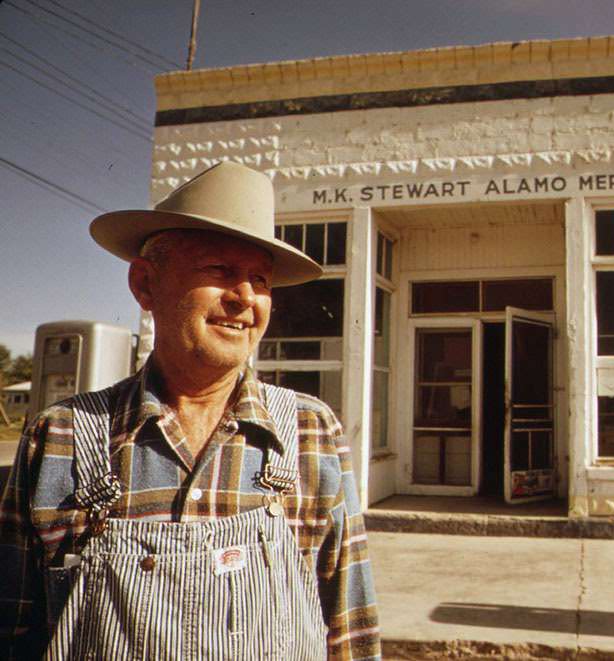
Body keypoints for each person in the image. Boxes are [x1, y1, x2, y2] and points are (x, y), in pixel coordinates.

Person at [0, 161, 381, 659]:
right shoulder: (60, 437)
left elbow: (351, 631)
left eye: (260, 279)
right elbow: (12, 630)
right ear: (145, 284)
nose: (245, 298)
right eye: (219, 270)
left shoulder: (312, 431)